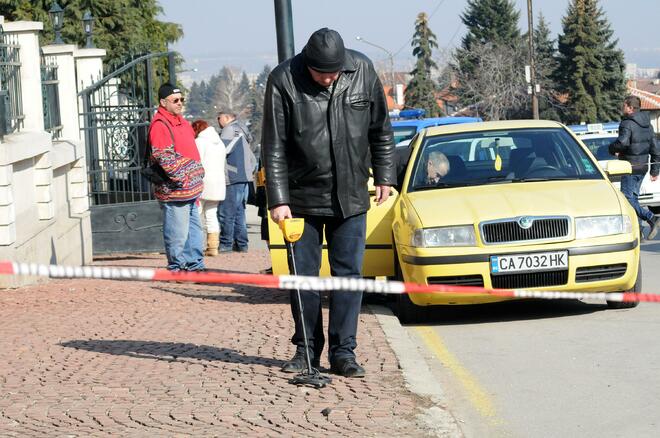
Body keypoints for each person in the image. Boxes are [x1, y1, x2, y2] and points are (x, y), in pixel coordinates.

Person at [261, 27, 395, 377]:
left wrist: (385, 175)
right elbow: (272, 145)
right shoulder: (283, 79)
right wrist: (278, 198)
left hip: (350, 196)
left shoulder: (362, 70)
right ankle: (306, 350)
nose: (329, 79)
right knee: (302, 279)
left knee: (348, 277)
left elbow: (380, 129)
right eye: (323, 73)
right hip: (300, 199)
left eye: (335, 73)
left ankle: (343, 352)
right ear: (308, 64)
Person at [148, 83, 205, 271]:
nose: (180, 103)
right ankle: (177, 267)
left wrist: (197, 175)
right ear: (164, 102)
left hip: (191, 190)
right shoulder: (160, 125)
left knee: (194, 231)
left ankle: (194, 264)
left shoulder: (182, 122)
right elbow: (163, 156)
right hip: (176, 191)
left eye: (182, 100)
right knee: (178, 232)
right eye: (175, 100)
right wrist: (182, 179)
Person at [609, 95, 660, 240]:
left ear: (630, 108)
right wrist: (654, 170)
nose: (622, 107)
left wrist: (611, 148)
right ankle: (638, 232)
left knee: (627, 199)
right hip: (642, 167)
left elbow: (623, 143)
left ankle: (651, 218)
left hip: (629, 167)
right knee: (634, 199)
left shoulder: (627, 123)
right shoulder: (648, 125)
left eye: (624, 105)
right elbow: (655, 149)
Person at [217, 110, 257, 253]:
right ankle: (242, 244)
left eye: (219, 118)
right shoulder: (242, 130)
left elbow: (222, 150)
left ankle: (226, 244)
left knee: (226, 212)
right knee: (239, 212)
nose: (218, 121)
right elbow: (252, 159)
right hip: (244, 176)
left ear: (227, 117)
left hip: (232, 176)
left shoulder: (229, 130)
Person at [192, 119, 226, 256]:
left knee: (196, 215)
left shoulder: (200, 142)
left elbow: (196, 162)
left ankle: (196, 246)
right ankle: (213, 247)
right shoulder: (220, 143)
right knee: (212, 214)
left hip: (203, 182)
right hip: (218, 183)